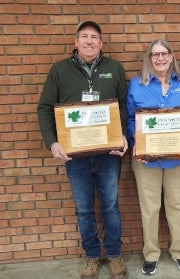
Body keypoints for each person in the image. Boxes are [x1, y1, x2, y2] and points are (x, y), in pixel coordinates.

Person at [37, 21, 128, 279]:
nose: (89, 41)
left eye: (94, 37)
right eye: (84, 37)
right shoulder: (59, 70)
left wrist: (122, 135)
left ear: (101, 43)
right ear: (76, 42)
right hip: (74, 155)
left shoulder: (114, 69)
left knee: (110, 205)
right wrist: (52, 142)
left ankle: (113, 254)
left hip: (108, 153)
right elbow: (45, 108)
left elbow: (122, 105)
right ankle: (90, 256)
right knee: (84, 208)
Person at [127, 39, 180, 275]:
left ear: (171, 57)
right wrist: (136, 142)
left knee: (178, 205)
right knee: (149, 207)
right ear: (149, 58)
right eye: (155, 54)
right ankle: (151, 254)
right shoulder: (137, 84)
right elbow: (130, 118)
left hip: (178, 159)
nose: (160, 58)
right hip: (146, 159)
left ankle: (179, 252)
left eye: (164, 53)